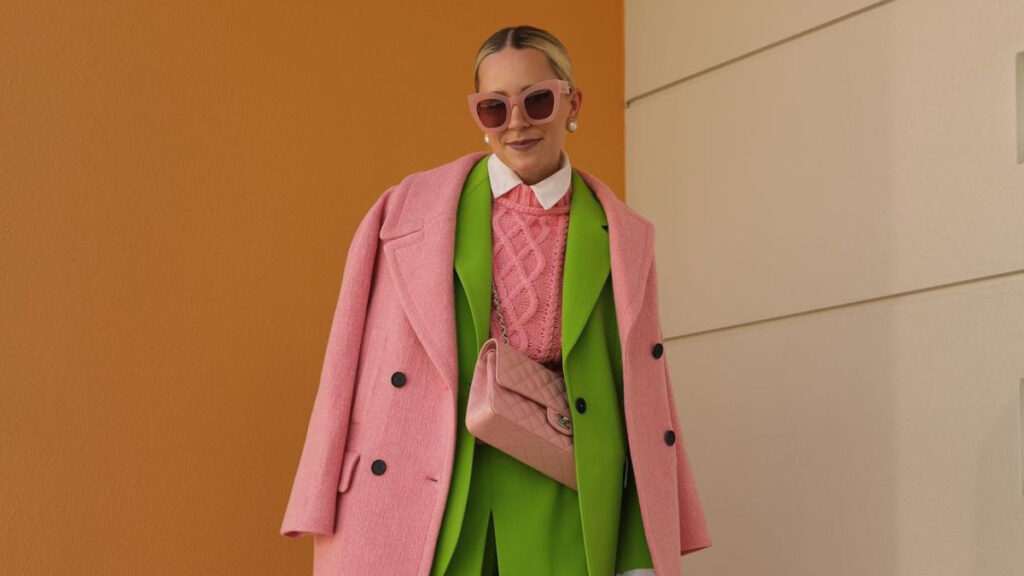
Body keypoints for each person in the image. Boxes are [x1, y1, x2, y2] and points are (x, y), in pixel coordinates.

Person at [280, 24, 711, 576]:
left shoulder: (621, 236)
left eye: (537, 100)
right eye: (494, 107)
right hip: (429, 495)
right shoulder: (407, 210)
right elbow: (344, 361)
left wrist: (641, 551)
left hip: (567, 500)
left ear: (572, 103)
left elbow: (641, 399)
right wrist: (316, 494)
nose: (517, 122)